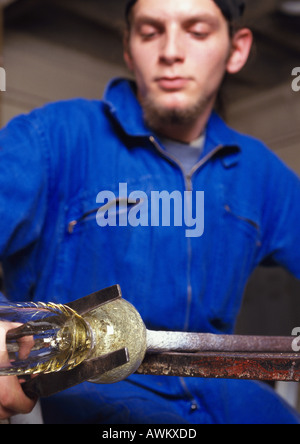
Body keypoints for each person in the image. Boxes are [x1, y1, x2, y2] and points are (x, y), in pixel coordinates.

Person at [0, 0, 300, 424]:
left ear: (237, 49)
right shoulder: (52, 139)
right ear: (128, 47)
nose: (171, 50)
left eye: (197, 31)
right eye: (150, 31)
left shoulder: (262, 172)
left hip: (226, 399)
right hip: (94, 407)